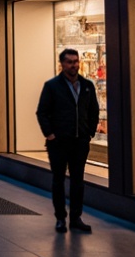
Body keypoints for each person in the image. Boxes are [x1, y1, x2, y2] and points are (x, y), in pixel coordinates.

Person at [36, 48, 99, 233]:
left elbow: (93, 110)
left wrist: (90, 132)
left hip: (80, 141)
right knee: (58, 180)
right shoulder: (52, 86)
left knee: (78, 180)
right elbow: (42, 112)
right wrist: (50, 134)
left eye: (76, 61)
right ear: (62, 64)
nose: (74, 65)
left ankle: (76, 217)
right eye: (70, 62)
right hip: (59, 142)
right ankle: (60, 218)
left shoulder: (87, 86)